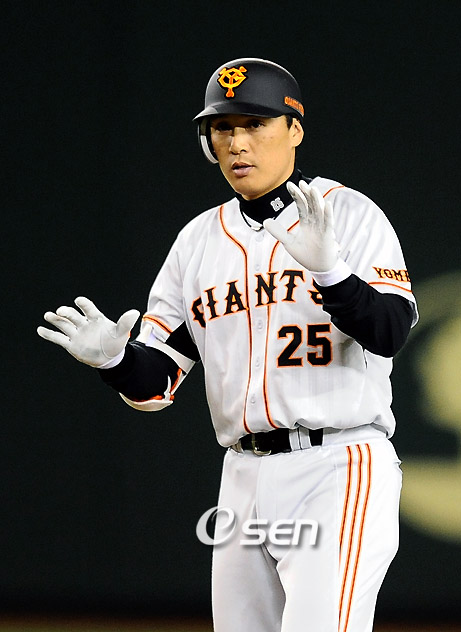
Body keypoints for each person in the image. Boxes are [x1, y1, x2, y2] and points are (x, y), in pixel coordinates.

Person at [38, 58, 418, 632]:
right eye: (223, 128)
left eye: (255, 124)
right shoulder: (197, 242)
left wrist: (333, 272)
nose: (238, 143)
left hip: (338, 465)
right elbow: (156, 385)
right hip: (243, 475)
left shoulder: (348, 214)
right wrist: (116, 361)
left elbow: (389, 333)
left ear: (294, 129)